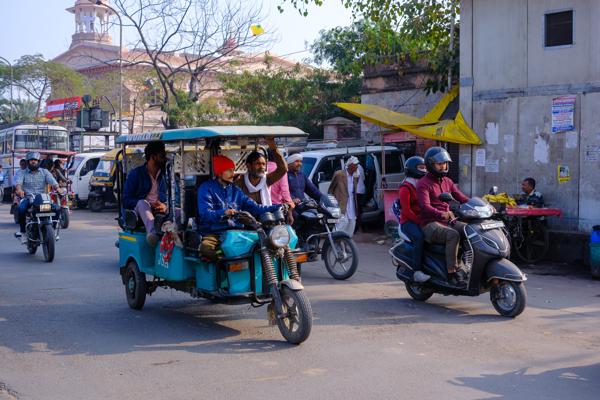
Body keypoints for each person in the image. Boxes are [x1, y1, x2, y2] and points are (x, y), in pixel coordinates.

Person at [197, 155, 282, 260]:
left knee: (262, 245)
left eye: (233, 170)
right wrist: (224, 212)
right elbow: (205, 214)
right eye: (229, 170)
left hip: (236, 232)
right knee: (206, 249)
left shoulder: (236, 190)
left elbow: (256, 208)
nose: (233, 174)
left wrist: (279, 206)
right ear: (219, 173)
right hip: (215, 233)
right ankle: (222, 261)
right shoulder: (206, 188)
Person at [416, 146, 470, 286]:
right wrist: (441, 214)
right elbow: (425, 206)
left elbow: (462, 198)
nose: (443, 166)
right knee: (453, 235)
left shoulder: (448, 181)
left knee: (470, 230)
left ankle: (466, 265)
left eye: (445, 163)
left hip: (447, 221)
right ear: (430, 164)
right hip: (430, 224)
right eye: (440, 164)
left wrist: (482, 205)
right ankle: (451, 272)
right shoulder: (423, 184)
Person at [122, 141, 168, 246]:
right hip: (139, 214)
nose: (165, 158)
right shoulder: (136, 174)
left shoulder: (166, 175)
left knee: (179, 211)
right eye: (162, 156)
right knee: (142, 203)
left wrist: (165, 206)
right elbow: (126, 200)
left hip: (160, 211)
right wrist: (148, 204)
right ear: (153, 157)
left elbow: (176, 197)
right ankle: (153, 233)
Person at [14, 152, 60, 244]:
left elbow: (53, 182)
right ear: (28, 162)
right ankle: (23, 233)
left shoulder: (44, 172)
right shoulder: (22, 173)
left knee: (57, 208)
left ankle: (52, 229)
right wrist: (19, 190)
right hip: (28, 198)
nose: (33, 162)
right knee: (21, 209)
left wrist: (58, 188)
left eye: (35, 160)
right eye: (31, 160)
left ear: (38, 161)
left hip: (42, 198)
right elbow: (18, 184)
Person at [398, 156, 430, 282]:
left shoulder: (424, 184)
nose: (424, 170)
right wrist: (419, 221)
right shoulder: (406, 187)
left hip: (423, 218)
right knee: (420, 237)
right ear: (412, 169)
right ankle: (417, 271)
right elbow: (406, 211)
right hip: (409, 221)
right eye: (421, 168)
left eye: (425, 167)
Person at [236, 137, 287, 206]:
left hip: (266, 215)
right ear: (249, 166)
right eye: (258, 164)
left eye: (263, 164)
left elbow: (283, 169)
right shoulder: (240, 182)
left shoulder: (267, 179)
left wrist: (272, 144)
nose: (262, 167)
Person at [329, 156, 360, 237]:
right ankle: (332, 243)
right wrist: (333, 203)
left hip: (351, 205)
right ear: (350, 165)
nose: (357, 166)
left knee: (351, 225)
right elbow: (331, 189)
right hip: (341, 205)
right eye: (356, 164)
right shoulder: (339, 174)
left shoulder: (356, 175)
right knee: (341, 225)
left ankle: (345, 245)